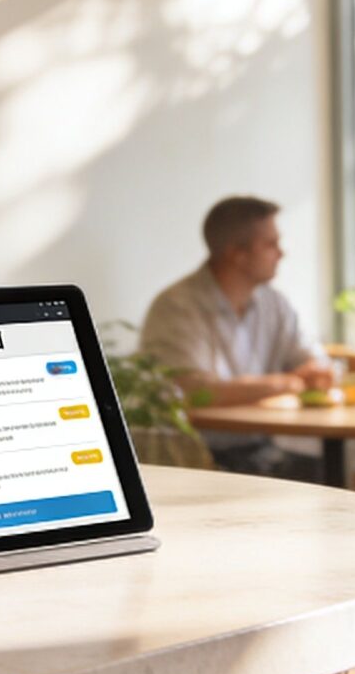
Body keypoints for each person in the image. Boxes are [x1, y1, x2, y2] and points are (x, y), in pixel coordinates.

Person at [139, 196, 336, 479]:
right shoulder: (176, 308)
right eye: (270, 244)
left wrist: (317, 373)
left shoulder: (274, 303)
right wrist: (286, 383)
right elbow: (195, 392)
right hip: (198, 462)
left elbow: (311, 360)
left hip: (263, 450)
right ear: (236, 253)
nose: (282, 253)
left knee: (332, 484)